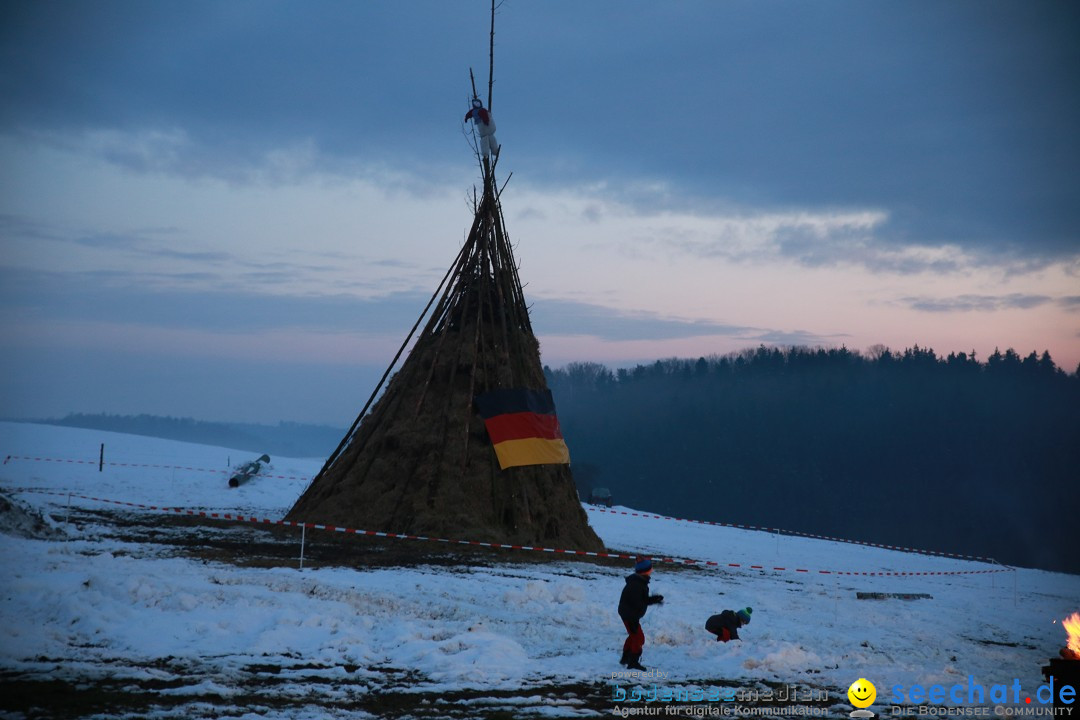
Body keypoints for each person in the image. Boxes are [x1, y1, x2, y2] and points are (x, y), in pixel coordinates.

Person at [617, 558, 664, 671]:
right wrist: (652, 600)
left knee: (634, 636)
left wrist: (654, 599)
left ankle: (625, 658)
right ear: (646, 570)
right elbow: (637, 602)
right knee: (639, 639)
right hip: (630, 616)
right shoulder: (637, 584)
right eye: (651, 567)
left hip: (630, 614)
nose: (652, 569)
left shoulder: (639, 581)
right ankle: (633, 662)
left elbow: (640, 600)